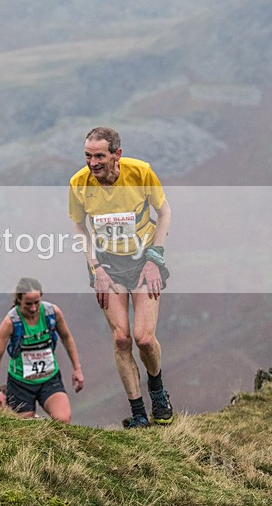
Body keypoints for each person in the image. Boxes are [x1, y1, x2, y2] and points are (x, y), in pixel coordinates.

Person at [68, 126, 173, 428]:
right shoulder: (79, 183)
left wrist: (155, 258)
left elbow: (164, 212)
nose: (92, 163)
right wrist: (94, 268)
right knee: (121, 338)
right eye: (88, 156)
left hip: (143, 262)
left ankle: (157, 389)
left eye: (99, 156)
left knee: (143, 338)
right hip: (107, 265)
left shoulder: (140, 172)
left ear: (117, 154)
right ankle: (139, 412)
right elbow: (78, 226)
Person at [0, 278, 84, 423]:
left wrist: (77, 368)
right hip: (20, 383)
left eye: (36, 303)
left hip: (49, 378)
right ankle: (33, 418)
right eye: (28, 304)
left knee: (63, 420)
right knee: (25, 429)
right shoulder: (11, 322)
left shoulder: (52, 313)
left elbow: (67, 338)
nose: (33, 308)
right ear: (19, 300)